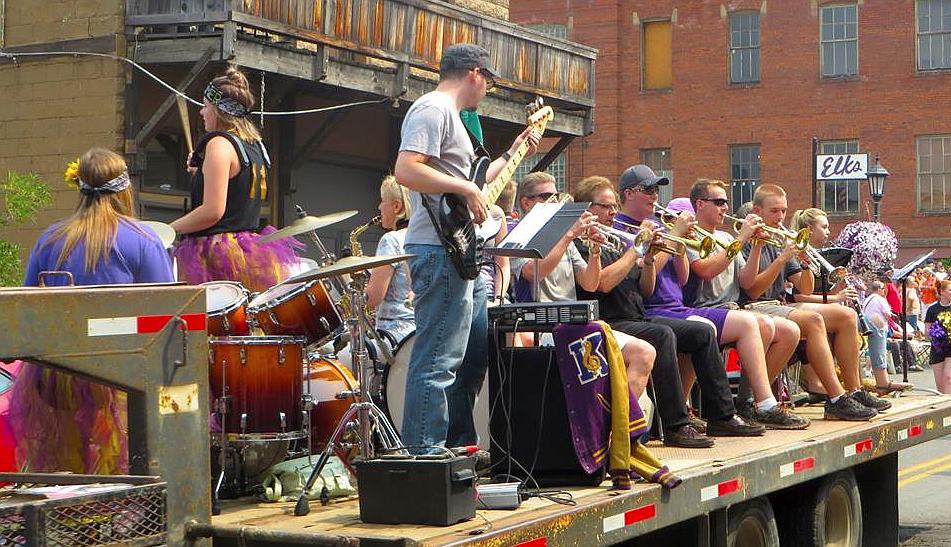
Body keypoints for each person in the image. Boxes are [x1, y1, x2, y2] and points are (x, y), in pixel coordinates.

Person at [393, 43, 539, 450]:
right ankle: (425, 456)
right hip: (439, 250)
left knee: (472, 358)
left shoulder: (453, 117)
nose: (487, 89)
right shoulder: (432, 108)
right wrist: (463, 186)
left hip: (460, 251)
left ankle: (459, 449)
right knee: (438, 359)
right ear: (475, 73)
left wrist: (514, 152)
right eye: (489, 81)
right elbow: (405, 170)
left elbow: (476, 181)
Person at [13, 148, 175, 474]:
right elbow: (167, 312)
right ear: (125, 189)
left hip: (58, 376)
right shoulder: (143, 240)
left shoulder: (49, 239)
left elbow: (27, 309)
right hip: (120, 376)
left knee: (67, 464)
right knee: (121, 462)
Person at [582, 167, 763, 447]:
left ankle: (723, 417)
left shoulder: (630, 233)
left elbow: (647, 287)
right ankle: (675, 425)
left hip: (637, 314)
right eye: (606, 206)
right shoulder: (602, 238)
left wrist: (656, 255)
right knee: (665, 335)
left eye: (612, 206)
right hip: (611, 319)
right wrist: (640, 250)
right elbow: (603, 284)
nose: (612, 212)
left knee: (702, 334)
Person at [740, 184, 882, 420]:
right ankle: (836, 398)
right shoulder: (747, 239)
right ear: (758, 210)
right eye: (775, 211)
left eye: (784, 211)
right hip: (755, 305)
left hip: (780, 304)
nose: (781, 217)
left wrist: (804, 262)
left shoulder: (778, 237)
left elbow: (804, 287)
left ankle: (854, 391)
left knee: (846, 315)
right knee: (814, 320)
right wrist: (783, 258)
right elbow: (753, 290)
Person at [510, 173, 655, 402]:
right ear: (526, 202)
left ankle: (615, 428)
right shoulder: (519, 236)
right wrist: (568, 236)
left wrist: (595, 250)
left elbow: (589, 282)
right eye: (546, 196)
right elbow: (533, 273)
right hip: (544, 329)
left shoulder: (564, 240)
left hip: (573, 324)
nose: (553, 201)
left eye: (555, 195)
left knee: (644, 353)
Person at [683, 180, 808, 429]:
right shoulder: (692, 235)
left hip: (732, 309)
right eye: (719, 202)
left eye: (726, 202)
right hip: (703, 308)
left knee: (789, 331)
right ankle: (764, 404)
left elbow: (747, 281)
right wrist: (742, 238)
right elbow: (706, 271)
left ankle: (747, 403)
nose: (725, 207)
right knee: (759, 323)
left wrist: (758, 247)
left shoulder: (726, 236)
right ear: (700, 204)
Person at [171, 67, 300, 292]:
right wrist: (202, 173)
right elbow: (236, 188)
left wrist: (166, 230)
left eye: (206, 106)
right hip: (247, 250)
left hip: (216, 254)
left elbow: (213, 212)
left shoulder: (219, 144)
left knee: (207, 325)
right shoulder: (256, 146)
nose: (202, 112)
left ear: (220, 110)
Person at [366, 175, 415, 344]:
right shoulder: (421, 238)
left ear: (396, 206)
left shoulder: (391, 239)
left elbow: (372, 298)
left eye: (382, 201)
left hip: (394, 334)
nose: (379, 207)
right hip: (418, 332)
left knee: (340, 360)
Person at [862, 281, 913, 394]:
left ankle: (875, 376)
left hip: (867, 324)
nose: (885, 291)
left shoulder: (867, 299)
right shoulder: (881, 299)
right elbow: (887, 314)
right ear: (880, 289)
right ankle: (883, 382)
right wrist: (891, 315)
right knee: (879, 339)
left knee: (872, 349)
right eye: (884, 289)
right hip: (877, 324)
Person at [925, 280, 951, 393]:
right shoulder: (932, 309)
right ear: (942, 291)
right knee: (940, 383)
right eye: (950, 290)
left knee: (948, 378)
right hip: (937, 348)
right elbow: (927, 331)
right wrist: (936, 335)